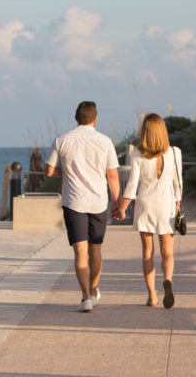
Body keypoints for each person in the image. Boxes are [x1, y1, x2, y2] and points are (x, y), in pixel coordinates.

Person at [46, 101, 121, 312]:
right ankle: (94, 289)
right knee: (95, 249)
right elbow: (112, 175)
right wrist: (117, 201)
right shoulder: (105, 141)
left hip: (73, 202)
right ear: (95, 119)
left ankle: (86, 297)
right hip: (98, 202)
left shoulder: (62, 139)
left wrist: (66, 174)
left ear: (75, 118)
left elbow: (49, 171)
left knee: (80, 251)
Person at [113, 113, 182, 309]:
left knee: (148, 252)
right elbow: (179, 183)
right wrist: (177, 205)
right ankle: (167, 279)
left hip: (145, 204)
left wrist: (122, 208)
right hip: (167, 204)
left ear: (145, 132)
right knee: (167, 252)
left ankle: (152, 296)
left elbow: (132, 185)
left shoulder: (137, 154)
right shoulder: (175, 152)